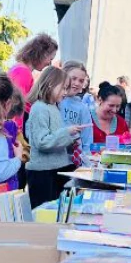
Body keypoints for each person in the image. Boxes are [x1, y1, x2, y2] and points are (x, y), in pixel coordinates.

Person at [25, 66, 81, 208]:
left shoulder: (53, 107)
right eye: (63, 88)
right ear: (51, 85)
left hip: (55, 169)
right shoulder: (39, 108)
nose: (66, 92)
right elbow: (42, 142)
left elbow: (53, 138)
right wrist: (67, 133)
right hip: (43, 174)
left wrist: (70, 142)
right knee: (44, 215)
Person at [8, 32, 58, 116]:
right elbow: (18, 105)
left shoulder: (20, 69)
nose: (50, 63)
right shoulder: (22, 72)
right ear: (41, 54)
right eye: (50, 59)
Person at [60, 61, 93, 166]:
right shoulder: (53, 101)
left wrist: (86, 164)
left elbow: (87, 138)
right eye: (73, 78)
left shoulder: (82, 108)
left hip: (72, 163)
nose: (77, 83)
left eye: (81, 81)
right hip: (51, 160)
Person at [90, 82, 131, 146]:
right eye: (111, 105)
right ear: (100, 100)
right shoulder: (86, 118)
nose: (114, 110)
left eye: (118, 106)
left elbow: (128, 146)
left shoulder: (121, 122)